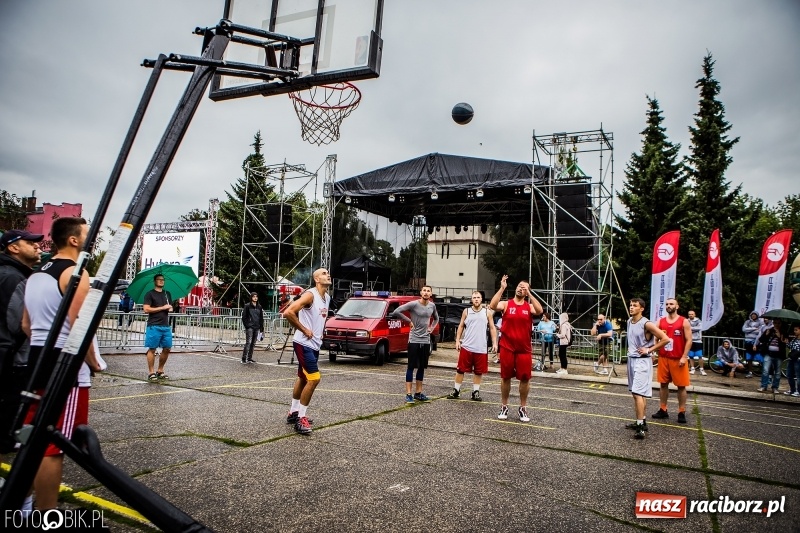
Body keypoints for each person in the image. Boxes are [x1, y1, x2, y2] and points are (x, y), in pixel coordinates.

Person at [21, 217, 101, 510]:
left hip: (38, 359)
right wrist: (93, 361)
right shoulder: (75, 273)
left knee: (33, 436)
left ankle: (24, 504)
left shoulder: (36, 274)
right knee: (55, 444)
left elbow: (26, 325)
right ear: (74, 240)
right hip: (65, 365)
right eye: (87, 235)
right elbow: (80, 324)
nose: (91, 240)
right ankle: (47, 514)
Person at [0, 229, 43, 461]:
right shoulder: (12, 277)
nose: (38, 247)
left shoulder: (12, 274)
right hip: (10, 358)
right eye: (30, 243)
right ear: (13, 247)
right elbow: (20, 323)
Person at [282, 268, 332, 435]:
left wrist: (319, 333)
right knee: (314, 378)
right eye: (324, 273)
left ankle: (293, 412)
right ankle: (300, 419)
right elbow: (288, 312)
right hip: (303, 343)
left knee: (303, 378)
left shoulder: (327, 298)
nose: (328, 275)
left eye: (328, 273)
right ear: (317, 279)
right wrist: (304, 329)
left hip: (314, 345)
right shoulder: (310, 295)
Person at [489, 275, 543, 422]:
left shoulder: (529, 306)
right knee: (505, 377)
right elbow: (493, 305)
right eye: (520, 285)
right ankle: (504, 406)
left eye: (524, 287)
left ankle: (523, 408)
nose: (521, 288)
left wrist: (530, 293)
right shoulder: (506, 304)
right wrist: (502, 288)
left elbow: (539, 310)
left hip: (524, 349)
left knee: (525, 378)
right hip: (507, 347)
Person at [624, 297, 670, 440]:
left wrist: (649, 350)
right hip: (631, 360)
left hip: (642, 362)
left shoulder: (647, 324)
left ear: (641, 308)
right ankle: (642, 421)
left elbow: (665, 339)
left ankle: (640, 428)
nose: (631, 307)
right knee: (636, 393)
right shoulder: (628, 322)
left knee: (638, 393)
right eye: (630, 305)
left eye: (634, 305)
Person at [391, 285, 440, 404]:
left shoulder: (432, 305)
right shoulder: (413, 304)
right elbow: (396, 311)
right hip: (414, 340)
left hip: (425, 340)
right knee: (411, 367)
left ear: (431, 294)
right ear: (421, 292)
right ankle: (408, 394)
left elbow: (436, 318)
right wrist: (409, 321)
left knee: (422, 367)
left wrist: (431, 328)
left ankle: (418, 393)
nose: (426, 293)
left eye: (428, 291)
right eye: (424, 290)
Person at [447, 291, 498, 401]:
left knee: (478, 371)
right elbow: (461, 326)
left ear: (481, 299)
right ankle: (456, 391)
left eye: (478, 297)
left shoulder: (487, 312)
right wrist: (457, 341)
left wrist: (495, 343)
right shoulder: (466, 311)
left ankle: (475, 392)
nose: (476, 299)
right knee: (460, 370)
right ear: (471, 299)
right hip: (467, 346)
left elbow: (493, 328)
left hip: (481, 347)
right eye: (474, 297)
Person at [651, 298, 692, 424]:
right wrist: (654, 351)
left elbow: (689, 340)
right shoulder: (661, 322)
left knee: (681, 386)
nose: (669, 306)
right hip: (664, 358)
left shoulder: (683, 321)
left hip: (677, 358)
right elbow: (655, 337)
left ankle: (681, 411)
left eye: (671, 304)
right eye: (667, 304)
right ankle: (663, 409)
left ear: (677, 306)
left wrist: (684, 356)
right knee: (663, 384)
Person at [143, 273, 173, 382]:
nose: (161, 281)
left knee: (167, 348)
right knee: (152, 349)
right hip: (154, 325)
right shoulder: (150, 294)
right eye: (159, 279)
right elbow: (146, 309)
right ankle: (151, 372)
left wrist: (169, 308)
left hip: (165, 326)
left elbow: (168, 306)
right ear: (155, 281)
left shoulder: (167, 294)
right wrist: (162, 307)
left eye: (163, 280)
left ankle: (160, 370)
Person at [757, 318, 787, 393]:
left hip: (779, 354)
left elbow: (785, 343)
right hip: (769, 353)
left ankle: (775, 387)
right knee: (765, 370)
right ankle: (764, 386)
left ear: (781, 324)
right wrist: (766, 335)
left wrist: (779, 336)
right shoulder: (769, 330)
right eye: (775, 323)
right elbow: (761, 340)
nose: (777, 325)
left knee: (777, 372)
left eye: (778, 323)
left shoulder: (784, 332)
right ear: (773, 323)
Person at [240, 292, 264, 364]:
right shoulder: (247, 306)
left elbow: (261, 317)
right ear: (251, 297)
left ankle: (249, 358)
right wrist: (247, 325)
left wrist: (261, 327)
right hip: (250, 327)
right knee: (248, 342)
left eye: (256, 296)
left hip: (257, 327)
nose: (255, 298)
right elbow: (244, 317)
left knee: (253, 343)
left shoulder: (259, 307)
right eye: (254, 296)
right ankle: (244, 358)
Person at [741, 311, 763, 378]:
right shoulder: (747, 322)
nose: (753, 316)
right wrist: (753, 329)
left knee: (759, 357)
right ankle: (750, 372)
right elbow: (744, 329)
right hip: (748, 341)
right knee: (749, 358)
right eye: (752, 314)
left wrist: (749, 330)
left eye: (755, 315)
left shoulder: (760, 322)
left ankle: (764, 371)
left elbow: (760, 331)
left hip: (756, 342)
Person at [686, 309, 705, 375]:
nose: (690, 315)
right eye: (689, 314)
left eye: (692, 314)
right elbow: (684, 328)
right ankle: (692, 368)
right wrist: (692, 328)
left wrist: (689, 328)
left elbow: (699, 328)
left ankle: (701, 369)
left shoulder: (698, 321)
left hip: (698, 340)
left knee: (700, 355)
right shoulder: (686, 321)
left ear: (695, 315)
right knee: (691, 356)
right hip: (690, 340)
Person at [784, 324, 800, 397]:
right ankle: (792, 389)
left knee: (798, 375)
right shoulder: (794, 339)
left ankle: (799, 391)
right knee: (789, 374)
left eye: (796, 330)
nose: (795, 332)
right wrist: (787, 342)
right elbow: (790, 346)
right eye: (794, 330)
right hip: (792, 358)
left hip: (798, 359)